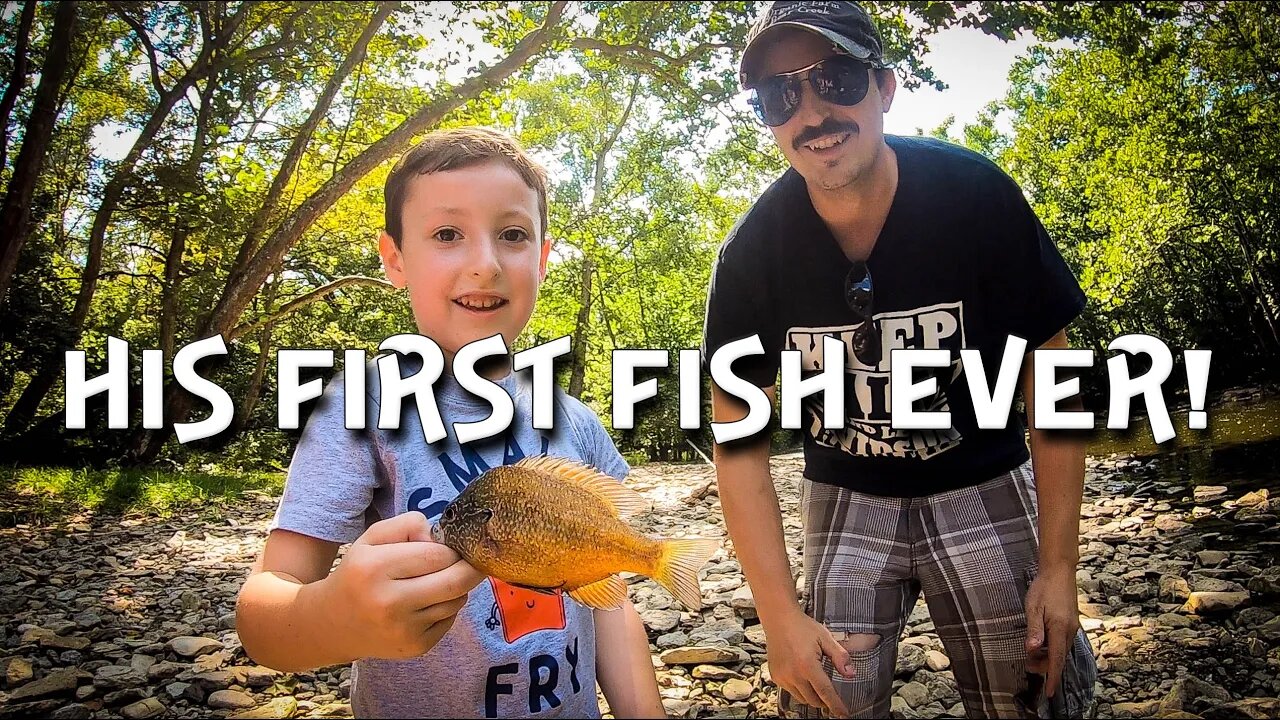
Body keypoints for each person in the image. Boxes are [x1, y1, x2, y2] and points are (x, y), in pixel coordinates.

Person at [701, 1, 1098, 718]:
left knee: (1041, 689)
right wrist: (779, 617)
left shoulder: (976, 198)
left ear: (884, 88)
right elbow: (738, 447)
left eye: (837, 80)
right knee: (823, 698)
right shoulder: (751, 254)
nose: (812, 112)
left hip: (982, 475)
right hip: (844, 492)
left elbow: (1055, 382)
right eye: (779, 96)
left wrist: (1059, 568)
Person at [236, 126, 665, 719]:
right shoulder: (357, 409)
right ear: (395, 260)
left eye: (512, 235)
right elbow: (262, 616)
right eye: (447, 234)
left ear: (542, 258)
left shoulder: (577, 423)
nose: (484, 264)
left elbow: (609, 601)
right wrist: (332, 618)